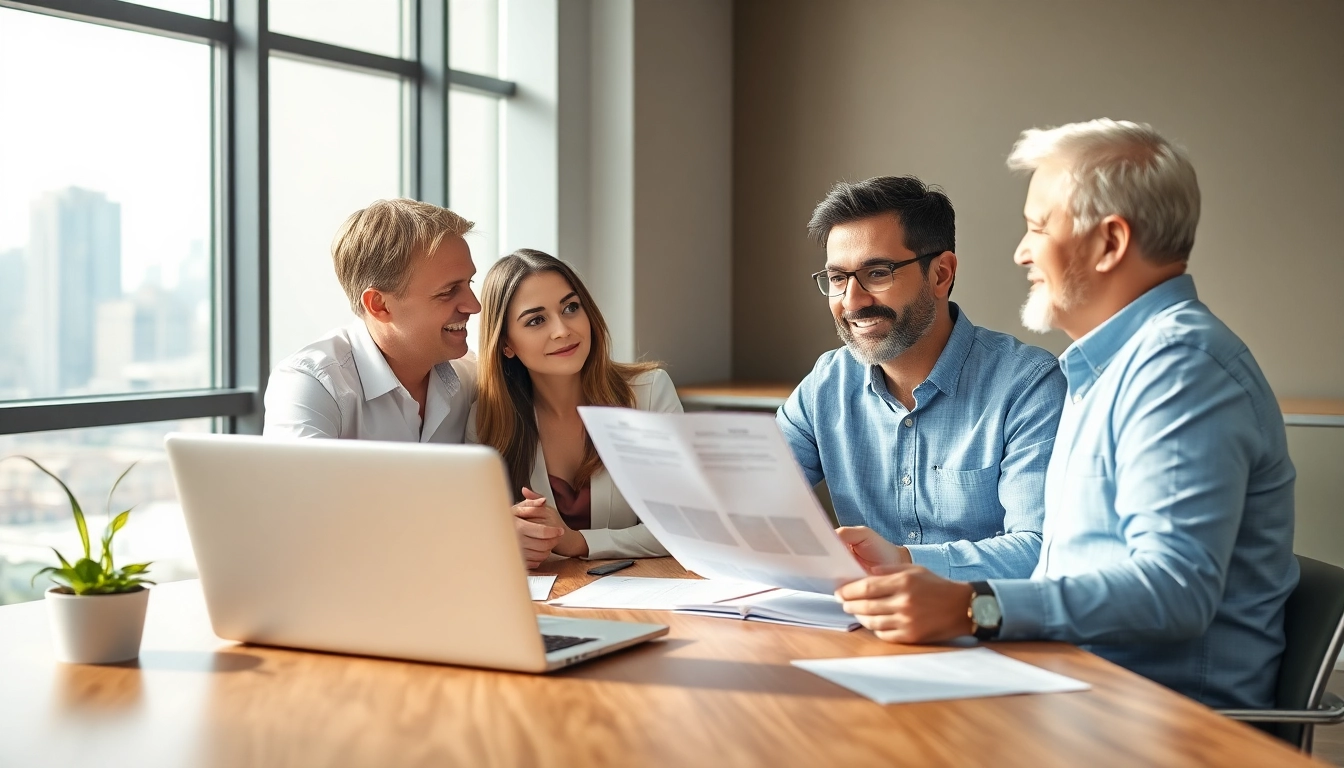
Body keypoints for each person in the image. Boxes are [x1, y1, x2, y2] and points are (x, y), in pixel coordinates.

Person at [835, 120, 1297, 710]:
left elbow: (1175, 589)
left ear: (1110, 243)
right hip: (1072, 690)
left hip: (1156, 721)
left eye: (1038, 228)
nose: (1021, 252)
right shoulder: (1104, 369)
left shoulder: (1180, 368)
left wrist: (974, 607)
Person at [778, 176, 1066, 582]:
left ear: (941, 274)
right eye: (838, 278)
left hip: (981, 617)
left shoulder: (1028, 386)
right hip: (856, 616)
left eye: (877, 273)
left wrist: (904, 562)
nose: (852, 301)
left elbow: (1038, 549)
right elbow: (750, 504)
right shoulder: (825, 384)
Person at [469, 249, 681, 568]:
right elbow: (472, 531)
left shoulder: (648, 394)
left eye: (570, 308)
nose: (563, 330)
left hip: (647, 585)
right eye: (536, 320)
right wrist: (502, 533)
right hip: (544, 593)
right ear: (506, 344)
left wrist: (577, 542)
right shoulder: (486, 420)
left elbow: (684, 526)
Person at [264, 199, 482, 442]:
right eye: (448, 291)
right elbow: (296, 470)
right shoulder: (312, 385)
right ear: (379, 305)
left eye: (469, 283)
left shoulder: (471, 378)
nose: (475, 306)